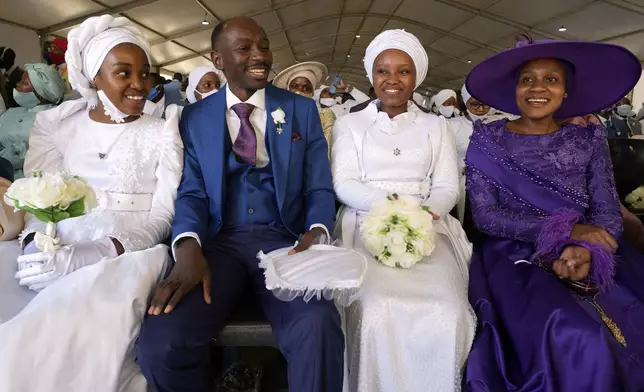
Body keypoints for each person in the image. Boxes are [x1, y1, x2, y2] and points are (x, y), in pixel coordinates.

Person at [136, 17, 344, 392]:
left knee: (318, 325)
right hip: (219, 245)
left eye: (264, 46)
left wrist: (317, 230)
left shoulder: (301, 110)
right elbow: (192, 192)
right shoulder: (195, 116)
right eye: (244, 48)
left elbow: (319, 188)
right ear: (218, 59)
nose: (259, 55)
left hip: (286, 242)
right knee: (162, 343)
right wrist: (186, 245)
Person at [0, 15, 183, 391]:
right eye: (123, 73)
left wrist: (104, 249)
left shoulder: (164, 131)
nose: (139, 85)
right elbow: (38, 199)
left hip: (130, 251)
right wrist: (37, 242)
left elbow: (164, 214)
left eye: (145, 74)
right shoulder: (57, 126)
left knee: (70, 322)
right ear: (95, 78)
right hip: (61, 241)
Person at [464, 35, 644, 391]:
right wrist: (567, 233)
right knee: (576, 333)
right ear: (515, 88)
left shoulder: (589, 138)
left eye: (551, 79)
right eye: (527, 78)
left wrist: (587, 248)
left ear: (565, 91)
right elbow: (486, 216)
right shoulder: (487, 140)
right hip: (513, 255)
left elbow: (607, 210)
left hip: (593, 250)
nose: (538, 88)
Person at [332, 29, 475, 392]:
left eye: (403, 71)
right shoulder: (350, 123)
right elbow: (345, 184)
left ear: (416, 77)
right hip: (365, 221)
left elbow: (446, 187)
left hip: (430, 223)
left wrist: (422, 216)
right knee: (377, 310)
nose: (392, 80)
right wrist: (391, 211)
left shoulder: (435, 125)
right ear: (371, 75)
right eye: (383, 71)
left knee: (450, 312)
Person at [0, 63, 66, 178]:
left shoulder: (55, 118)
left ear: (40, 92)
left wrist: (21, 154)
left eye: (24, 83)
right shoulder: (10, 113)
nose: (17, 85)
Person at [272, 61, 335, 158]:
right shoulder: (276, 115)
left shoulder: (324, 115)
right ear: (288, 89)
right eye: (295, 86)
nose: (299, 91)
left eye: (306, 88)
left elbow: (326, 151)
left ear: (312, 93)